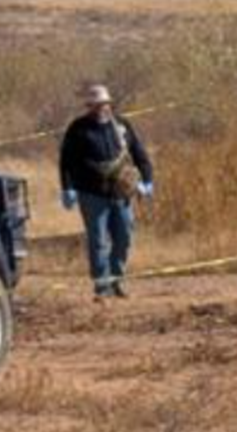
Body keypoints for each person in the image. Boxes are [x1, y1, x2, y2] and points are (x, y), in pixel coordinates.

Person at [58, 85, 154, 299]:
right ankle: (102, 287)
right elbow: (66, 161)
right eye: (95, 105)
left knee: (124, 238)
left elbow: (139, 153)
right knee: (98, 241)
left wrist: (148, 180)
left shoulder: (122, 125)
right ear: (89, 106)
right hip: (91, 194)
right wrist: (67, 187)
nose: (101, 108)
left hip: (121, 194)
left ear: (109, 104)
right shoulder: (78, 129)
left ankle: (117, 281)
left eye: (103, 104)